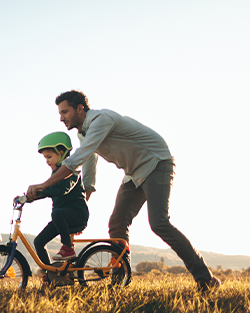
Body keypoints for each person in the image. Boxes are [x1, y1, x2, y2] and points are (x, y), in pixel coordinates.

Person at [26, 90, 220, 290]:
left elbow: (77, 159)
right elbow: (89, 160)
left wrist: (44, 185)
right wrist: (87, 192)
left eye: (65, 112)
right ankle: (119, 281)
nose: (61, 118)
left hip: (156, 162)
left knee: (159, 223)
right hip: (133, 173)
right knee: (117, 224)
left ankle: (205, 278)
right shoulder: (83, 133)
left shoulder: (101, 120)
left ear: (80, 109)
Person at [20, 131, 89, 264]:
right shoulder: (55, 174)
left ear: (62, 153)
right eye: (45, 158)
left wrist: (42, 189)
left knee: (56, 213)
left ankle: (68, 248)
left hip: (77, 214)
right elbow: (50, 191)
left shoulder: (72, 172)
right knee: (39, 242)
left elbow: (63, 189)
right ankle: (49, 274)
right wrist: (28, 198)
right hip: (61, 217)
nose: (47, 161)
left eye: (49, 157)